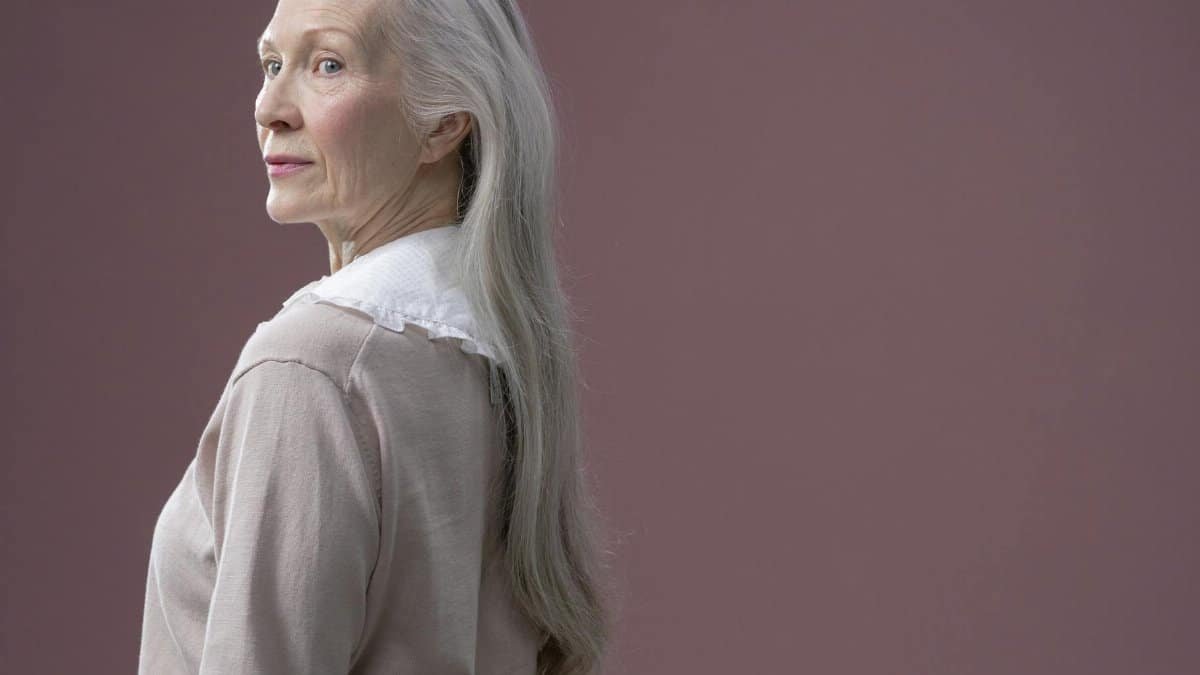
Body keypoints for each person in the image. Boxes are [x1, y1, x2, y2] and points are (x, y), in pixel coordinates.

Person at [136, 1, 613, 673]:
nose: (269, 106)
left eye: (327, 64)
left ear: (444, 122)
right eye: (272, 64)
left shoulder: (309, 369)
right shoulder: (504, 360)